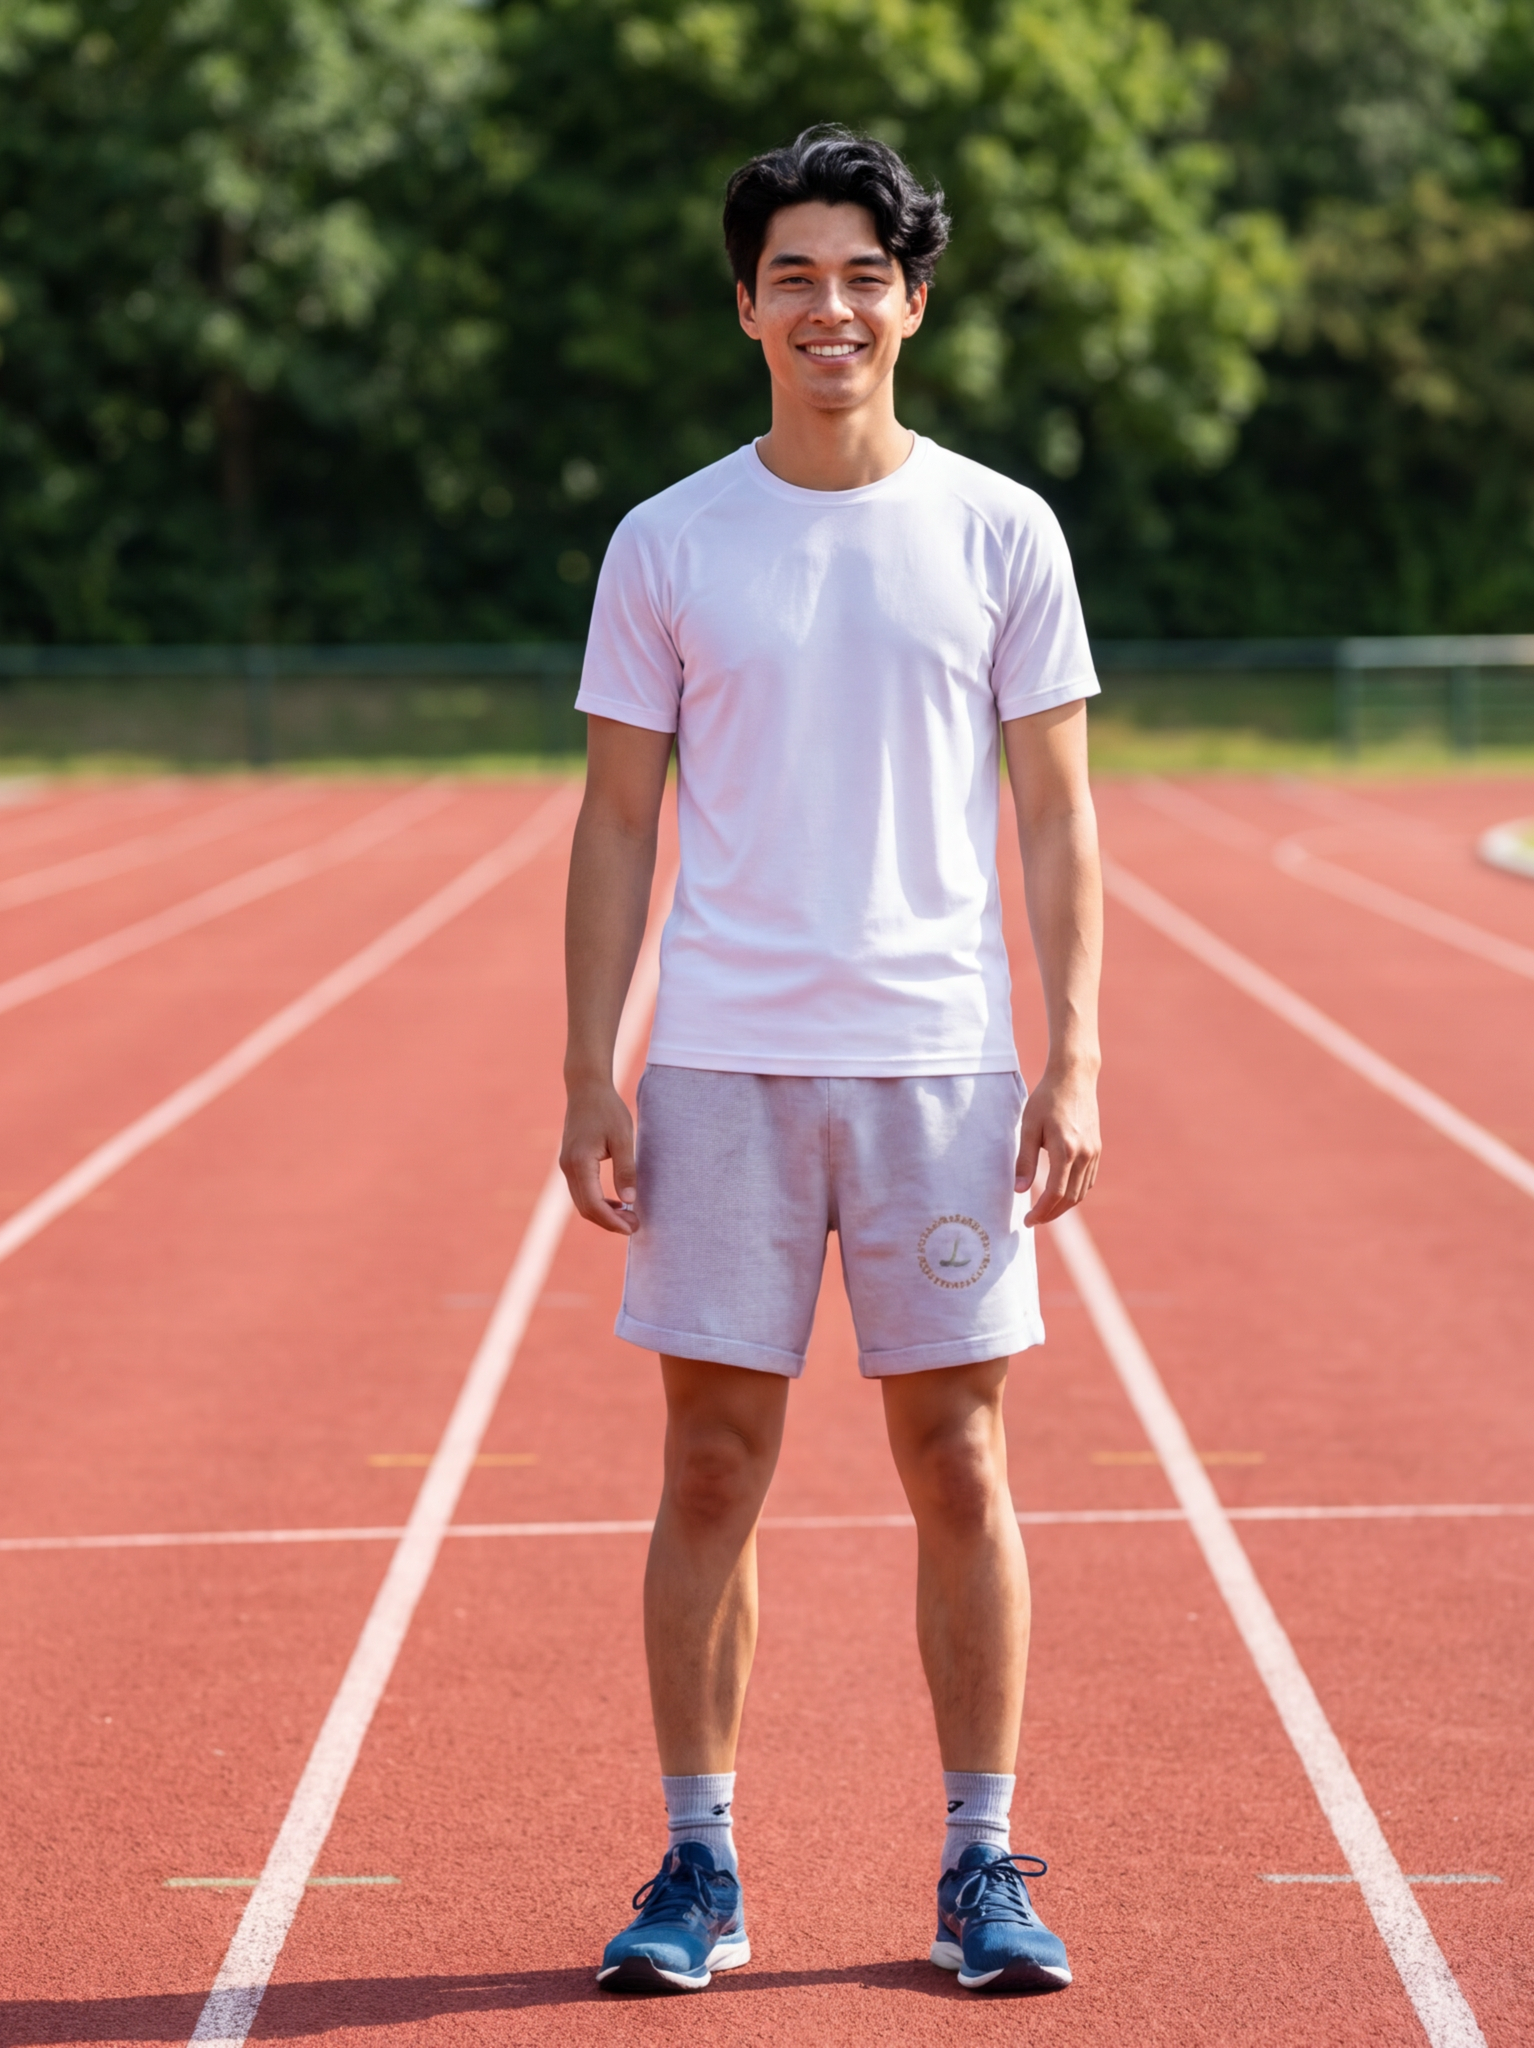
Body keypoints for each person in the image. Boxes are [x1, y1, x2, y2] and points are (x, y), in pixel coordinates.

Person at [559, 124, 1103, 1998]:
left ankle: (980, 1863)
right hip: (720, 1063)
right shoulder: (672, 539)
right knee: (711, 1465)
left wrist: (1074, 1048)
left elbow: (1058, 818)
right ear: (745, 308)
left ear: (915, 302)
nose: (831, 305)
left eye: (864, 274)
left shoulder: (999, 529)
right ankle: (697, 1860)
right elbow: (618, 824)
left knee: (959, 1458)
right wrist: (589, 1063)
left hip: (940, 1067)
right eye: (794, 274)